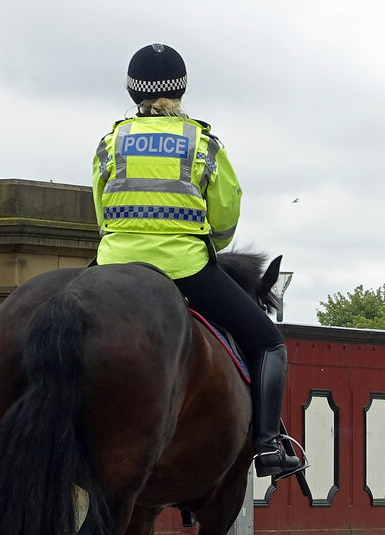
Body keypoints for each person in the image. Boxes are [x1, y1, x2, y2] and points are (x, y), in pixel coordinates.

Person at [92, 43, 302, 480]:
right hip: (185, 268)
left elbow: (101, 211)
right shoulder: (203, 142)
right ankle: (267, 445)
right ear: (181, 89)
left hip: (112, 266)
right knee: (268, 343)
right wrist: (204, 239)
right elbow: (225, 214)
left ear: (133, 92)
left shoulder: (110, 141)